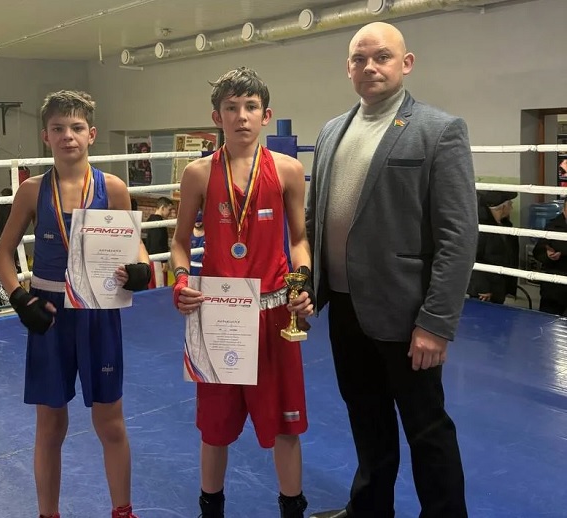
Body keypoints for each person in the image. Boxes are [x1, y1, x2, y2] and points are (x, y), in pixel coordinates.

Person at [305, 23, 477, 518]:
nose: (370, 67)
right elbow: (316, 219)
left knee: (426, 427)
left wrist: (436, 323)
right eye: (359, 58)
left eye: (382, 56)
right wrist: (309, 287)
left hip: (407, 314)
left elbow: (458, 235)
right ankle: (369, 509)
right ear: (348, 68)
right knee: (366, 417)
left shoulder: (439, 129)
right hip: (344, 306)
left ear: (406, 63)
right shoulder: (331, 131)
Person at [0, 89, 151, 518]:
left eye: (77, 127)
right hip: (48, 313)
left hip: (99, 310)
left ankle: (123, 512)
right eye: (58, 128)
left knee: (110, 421)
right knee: (50, 425)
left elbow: (135, 247)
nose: (68, 136)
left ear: (91, 134)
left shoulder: (113, 188)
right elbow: (2, 255)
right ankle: (48, 514)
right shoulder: (31, 191)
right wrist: (19, 298)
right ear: (46, 136)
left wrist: (140, 269)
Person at [170, 67, 313, 518]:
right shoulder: (197, 173)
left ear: (266, 115)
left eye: (251, 107)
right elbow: (179, 242)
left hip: (275, 313)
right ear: (218, 117)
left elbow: (299, 239)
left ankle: (292, 510)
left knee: (286, 426)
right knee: (214, 429)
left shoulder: (288, 170)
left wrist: (303, 281)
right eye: (231, 108)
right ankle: (210, 509)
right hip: (218, 315)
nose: (241, 116)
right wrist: (180, 280)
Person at [467, 191, 519, 304]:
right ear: (503, 207)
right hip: (484, 291)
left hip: (500, 285)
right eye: (510, 204)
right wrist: (482, 287)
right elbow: (472, 259)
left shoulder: (506, 226)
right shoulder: (481, 229)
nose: (511, 208)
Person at [532, 200, 567, 315]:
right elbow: (537, 251)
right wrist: (548, 255)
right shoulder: (552, 226)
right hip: (553, 288)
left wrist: (562, 253)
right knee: (547, 321)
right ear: (564, 210)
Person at [144, 196, 174, 288]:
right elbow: (157, 243)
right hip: (157, 260)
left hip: (152, 259)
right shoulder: (158, 222)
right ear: (162, 208)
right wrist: (163, 260)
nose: (170, 213)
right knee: (159, 286)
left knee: (154, 286)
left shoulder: (152, 220)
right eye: (169, 210)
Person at [189, 210, 205, 276]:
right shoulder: (188, 232)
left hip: (205, 264)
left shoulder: (209, 232)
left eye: (199, 221)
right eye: (196, 221)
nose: (198, 223)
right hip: (191, 265)